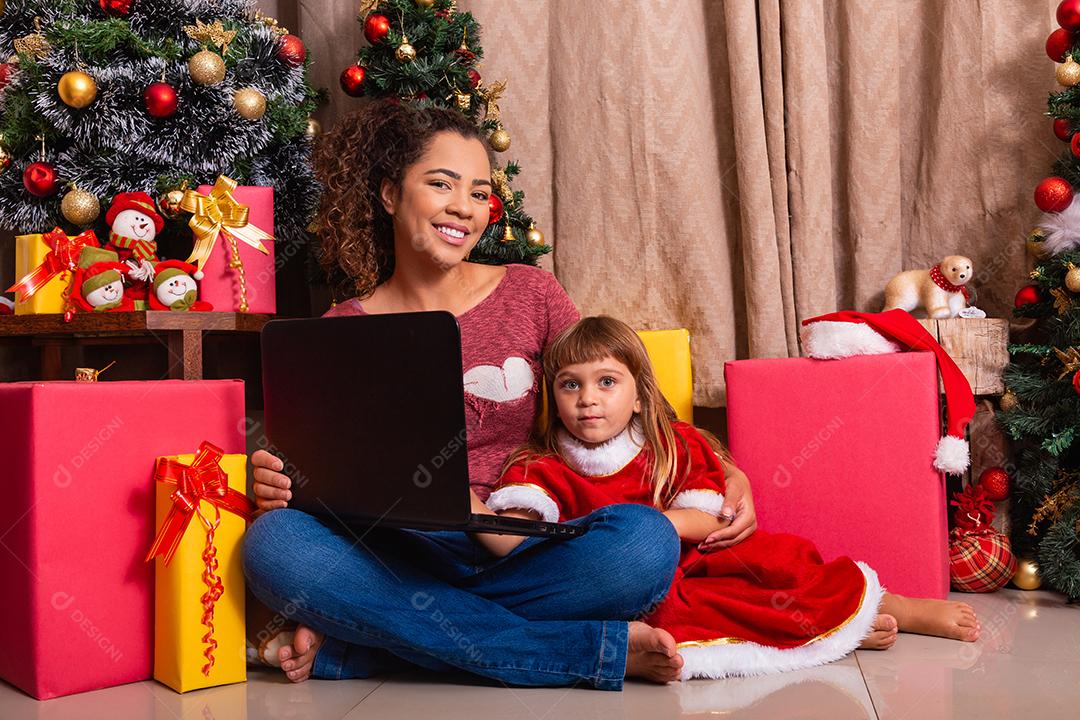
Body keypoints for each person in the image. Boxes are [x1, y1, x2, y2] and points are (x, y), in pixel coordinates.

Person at [242, 100, 760, 689]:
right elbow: (316, 468)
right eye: (441, 184)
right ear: (390, 194)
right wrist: (280, 479)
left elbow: (611, 385)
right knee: (273, 547)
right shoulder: (337, 328)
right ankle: (583, 651)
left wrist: (721, 465)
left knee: (642, 545)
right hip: (400, 551)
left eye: (480, 191)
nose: (464, 206)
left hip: (527, 548)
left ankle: (368, 650)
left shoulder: (532, 293)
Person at [476, 316, 981, 679]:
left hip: (697, 557)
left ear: (637, 394)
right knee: (688, 615)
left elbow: (705, 517)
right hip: (624, 587)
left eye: (607, 382)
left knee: (781, 570)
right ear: (553, 397)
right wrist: (473, 515)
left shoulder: (671, 444)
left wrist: (655, 528)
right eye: (571, 385)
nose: (588, 398)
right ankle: (826, 634)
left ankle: (886, 607)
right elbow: (516, 541)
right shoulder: (537, 464)